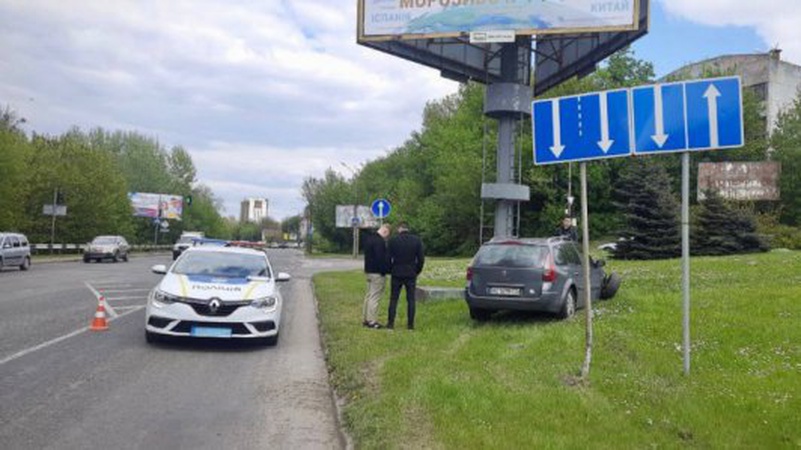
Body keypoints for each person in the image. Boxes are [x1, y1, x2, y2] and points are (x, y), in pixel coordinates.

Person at [387, 222, 425, 330]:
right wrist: (417, 270)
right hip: (411, 272)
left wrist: (391, 269)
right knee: (411, 299)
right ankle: (410, 325)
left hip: (396, 272)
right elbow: (421, 259)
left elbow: (387, 258)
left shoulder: (393, 240)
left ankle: (390, 324)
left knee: (394, 299)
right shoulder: (416, 240)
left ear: (399, 229)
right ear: (408, 229)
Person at [362, 224, 391, 329]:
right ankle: (372, 321)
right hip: (377, 273)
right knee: (375, 297)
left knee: (369, 295)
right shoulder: (380, 242)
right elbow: (381, 259)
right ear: (385, 231)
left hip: (369, 271)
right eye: (387, 235)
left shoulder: (369, 239)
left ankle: (365, 318)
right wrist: (385, 271)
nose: (386, 238)